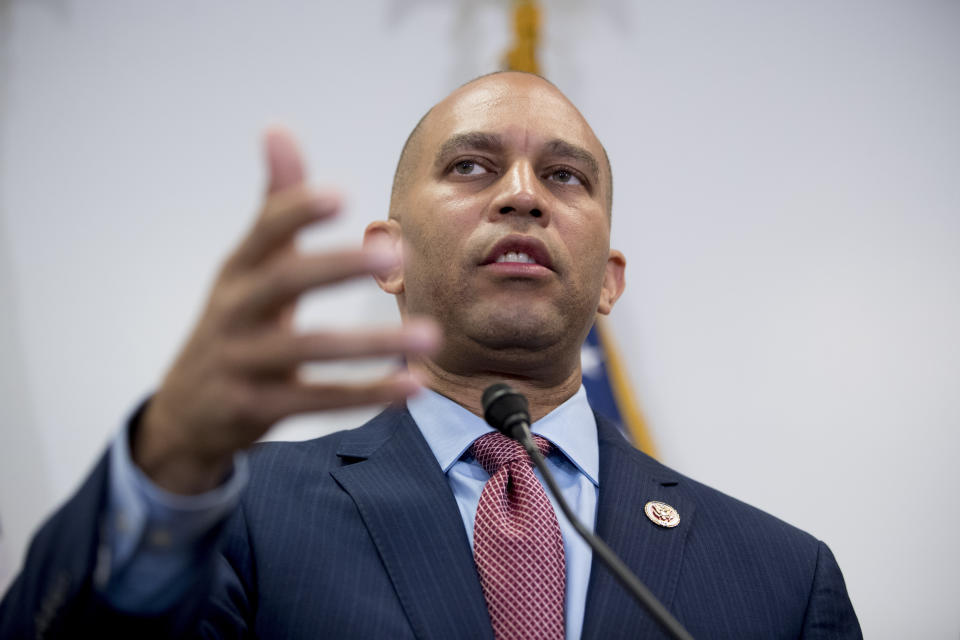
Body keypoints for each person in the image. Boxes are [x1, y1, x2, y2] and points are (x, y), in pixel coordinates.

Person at [0, 72, 861, 639]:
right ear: (388, 255)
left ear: (610, 281)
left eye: (565, 177)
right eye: (473, 166)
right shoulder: (235, 514)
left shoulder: (784, 579)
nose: (521, 195)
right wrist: (164, 468)